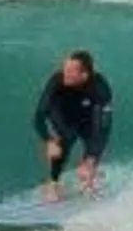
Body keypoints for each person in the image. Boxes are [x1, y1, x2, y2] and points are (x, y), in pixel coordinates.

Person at [33, 50, 113, 199]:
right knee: (67, 136)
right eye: (64, 68)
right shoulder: (56, 82)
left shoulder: (100, 87)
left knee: (94, 134)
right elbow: (38, 116)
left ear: (84, 75)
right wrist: (48, 140)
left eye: (70, 70)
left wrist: (91, 157)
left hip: (85, 113)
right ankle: (53, 184)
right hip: (61, 111)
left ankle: (88, 173)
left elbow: (104, 126)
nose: (65, 73)